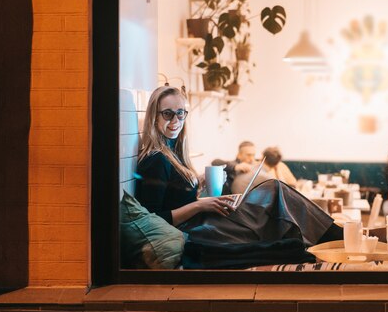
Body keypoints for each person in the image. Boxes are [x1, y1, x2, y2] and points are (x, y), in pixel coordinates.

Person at [134, 86, 342, 268]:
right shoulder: (155, 160)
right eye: (168, 114)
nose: (175, 121)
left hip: (201, 222)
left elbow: (176, 199)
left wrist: (200, 190)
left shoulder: (173, 153)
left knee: (274, 197)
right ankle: (337, 239)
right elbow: (154, 220)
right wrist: (200, 205)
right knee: (273, 191)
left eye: (181, 113)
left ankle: (333, 241)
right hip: (195, 233)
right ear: (155, 116)